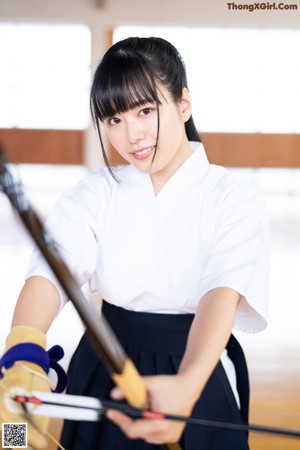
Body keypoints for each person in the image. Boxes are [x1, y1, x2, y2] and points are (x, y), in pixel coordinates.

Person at [0, 37, 269, 450]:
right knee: (17, 436)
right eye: (113, 119)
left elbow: (221, 295)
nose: (132, 135)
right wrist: (23, 350)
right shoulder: (94, 193)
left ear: (183, 105)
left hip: (194, 365)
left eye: (146, 110)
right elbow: (52, 271)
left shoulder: (233, 197)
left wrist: (187, 385)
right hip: (105, 364)